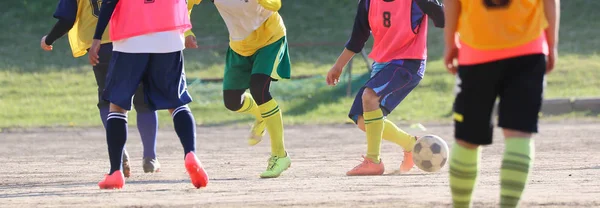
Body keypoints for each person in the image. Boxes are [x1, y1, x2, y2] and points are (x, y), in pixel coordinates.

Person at [443, 0, 559, 207]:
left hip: (476, 51)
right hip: (528, 49)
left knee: (467, 139)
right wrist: (552, 44)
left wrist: (450, 41)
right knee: (519, 134)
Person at [89, 0, 208, 189]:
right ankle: (190, 153)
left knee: (117, 105)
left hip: (130, 36)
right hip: (169, 32)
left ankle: (115, 172)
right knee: (177, 102)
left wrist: (96, 38)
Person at [39, 0, 163, 176]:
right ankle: (150, 157)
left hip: (101, 46)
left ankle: (119, 153)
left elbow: (67, 19)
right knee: (144, 98)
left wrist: (48, 39)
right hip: (134, 38)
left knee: (108, 101)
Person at [326, 0, 444, 176]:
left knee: (370, 96)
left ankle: (373, 161)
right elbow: (358, 39)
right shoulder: (367, 2)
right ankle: (412, 145)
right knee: (362, 120)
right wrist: (338, 66)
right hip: (382, 65)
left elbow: (443, 19)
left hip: (408, 63)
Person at [194, 0, 291, 178]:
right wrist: (186, 31)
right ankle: (261, 113)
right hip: (240, 46)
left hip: (270, 38)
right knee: (231, 101)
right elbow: (184, 4)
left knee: (259, 88)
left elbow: (275, 4)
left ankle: (280, 155)